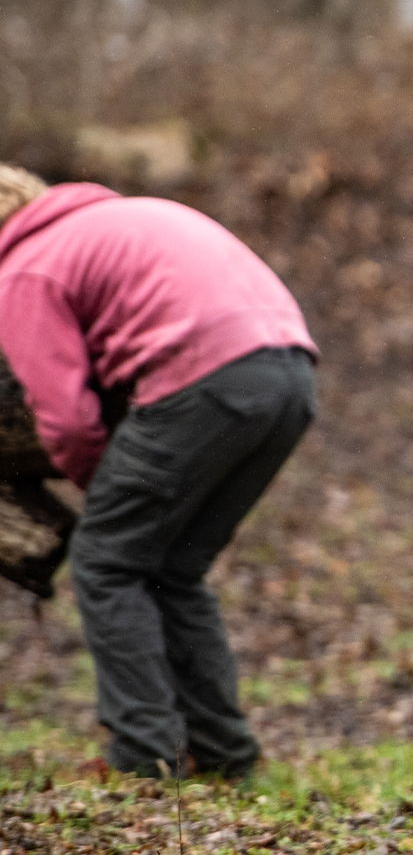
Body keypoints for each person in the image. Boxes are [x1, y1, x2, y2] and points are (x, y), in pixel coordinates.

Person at [0, 165, 317, 779]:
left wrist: (107, 489)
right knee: (173, 567)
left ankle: (143, 755)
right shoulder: (109, 220)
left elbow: (64, 419)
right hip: (290, 374)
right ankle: (225, 755)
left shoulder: (24, 270)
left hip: (204, 379)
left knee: (107, 559)